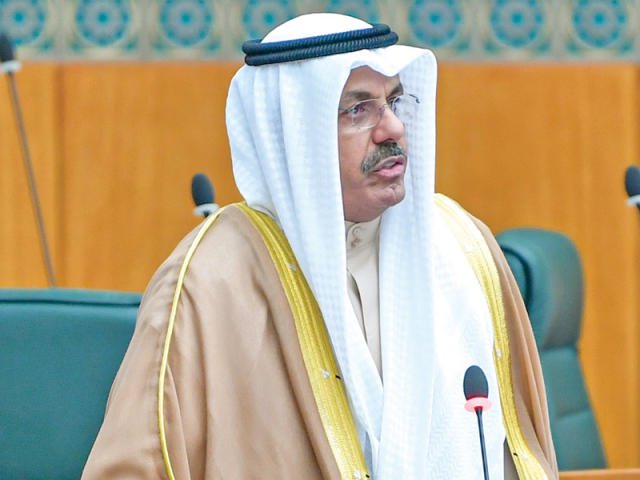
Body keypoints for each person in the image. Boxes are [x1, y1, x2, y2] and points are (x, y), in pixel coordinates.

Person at [82, 13, 558, 479]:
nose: (392, 128)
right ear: (295, 133)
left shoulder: (462, 247)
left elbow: (518, 452)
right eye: (358, 110)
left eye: (394, 101)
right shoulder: (209, 282)